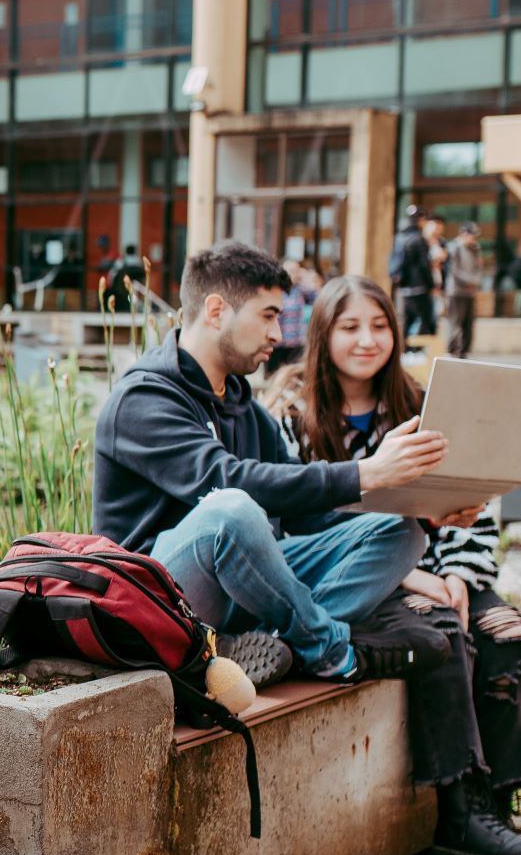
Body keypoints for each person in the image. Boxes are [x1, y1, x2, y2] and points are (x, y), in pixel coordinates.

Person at [267, 274, 521, 855]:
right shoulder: (291, 417)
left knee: (507, 635)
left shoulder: (425, 405)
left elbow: (476, 495)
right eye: (350, 327)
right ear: (322, 334)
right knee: (447, 633)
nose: (368, 340)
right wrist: (416, 574)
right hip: (373, 578)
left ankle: (497, 813)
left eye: (380, 326)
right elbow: (299, 527)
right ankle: (460, 812)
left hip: (447, 567)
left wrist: (456, 570)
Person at [93, 241, 445, 688]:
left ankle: (269, 648)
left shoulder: (245, 409)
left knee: (400, 528)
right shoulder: (143, 400)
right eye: (268, 315)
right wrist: (365, 472)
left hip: (246, 589)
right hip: (156, 597)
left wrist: (423, 511)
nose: (279, 335)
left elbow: (307, 514)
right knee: (231, 509)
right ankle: (328, 650)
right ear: (217, 310)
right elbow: (226, 480)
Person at [389, 207, 436, 340]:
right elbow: (424, 265)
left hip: (403, 287)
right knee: (425, 320)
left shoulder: (399, 237)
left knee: (404, 320)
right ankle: (418, 353)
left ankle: (403, 350)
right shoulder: (418, 239)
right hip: (419, 288)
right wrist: (431, 285)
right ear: (420, 220)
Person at [266, 259, 320, 375]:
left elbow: (319, 299)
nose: (293, 274)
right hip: (278, 342)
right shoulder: (276, 290)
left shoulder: (300, 290)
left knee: (293, 375)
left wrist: (306, 278)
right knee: (273, 375)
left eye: (296, 271)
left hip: (295, 342)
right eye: (290, 271)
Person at [445, 221, 483, 359]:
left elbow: (479, 268)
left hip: (470, 293)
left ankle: (464, 352)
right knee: (455, 323)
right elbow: (454, 270)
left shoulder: (476, 248)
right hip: (456, 292)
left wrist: (475, 281)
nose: (474, 238)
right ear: (463, 234)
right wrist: (469, 281)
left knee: (468, 324)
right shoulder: (454, 248)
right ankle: (453, 351)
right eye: (472, 235)